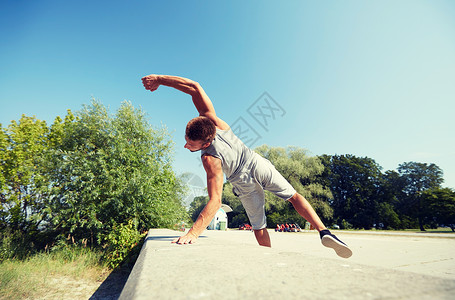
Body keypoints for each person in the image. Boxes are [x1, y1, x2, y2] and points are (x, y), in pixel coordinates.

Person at [142, 74, 352, 259]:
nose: (185, 145)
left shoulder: (209, 158)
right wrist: (160, 79)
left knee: (259, 227)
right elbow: (195, 87)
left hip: (242, 182)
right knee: (294, 196)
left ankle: (270, 260)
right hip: (257, 162)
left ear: (205, 144)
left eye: (190, 144)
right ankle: (324, 231)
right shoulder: (213, 122)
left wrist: (193, 233)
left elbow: (216, 200)